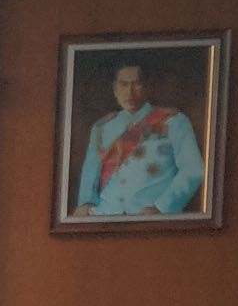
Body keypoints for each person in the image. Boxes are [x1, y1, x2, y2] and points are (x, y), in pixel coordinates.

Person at [76, 61, 206, 217]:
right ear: (115, 88)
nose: (129, 93)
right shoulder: (102, 127)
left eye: (136, 84)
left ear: (147, 86)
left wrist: (162, 207)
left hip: (152, 218)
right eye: (124, 85)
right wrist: (86, 203)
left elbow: (193, 170)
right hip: (104, 216)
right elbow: (90, 175)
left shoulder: (174, 122)